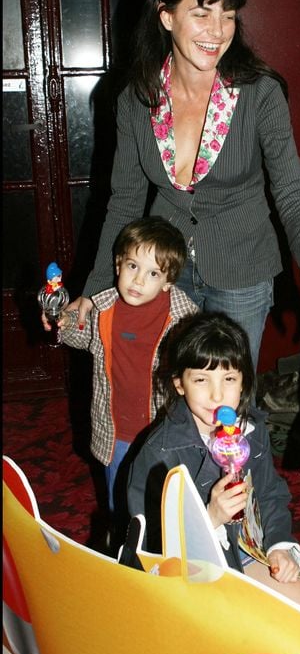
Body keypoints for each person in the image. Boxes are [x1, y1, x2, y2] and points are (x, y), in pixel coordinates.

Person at [64, 0, 300, 372]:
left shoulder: (259, 94)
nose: (217, 30)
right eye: (201, 13)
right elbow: (124, 202)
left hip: (242, 270)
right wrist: (96, 288)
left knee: (228, 395)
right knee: (171, 388)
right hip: (163, 269)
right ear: (166, 16)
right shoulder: (136, 100)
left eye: (228, 15)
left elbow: (292, 189)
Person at [126, 310, 300, 620]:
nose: (217, 395)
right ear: (179, 384)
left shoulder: (250, 430)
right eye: (201, 380)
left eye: (228, 379)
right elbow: (153, 546)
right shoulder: (159, 453)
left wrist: (279, 546)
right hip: (190, 571)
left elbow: (270, 493)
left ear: (243, 383)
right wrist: (210, 517)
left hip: (244, 552)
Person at [51, 216, 198, 521]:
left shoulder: (185, 320)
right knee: (119, 503)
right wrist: (62, 322)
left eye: (153, 273)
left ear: (168, 281)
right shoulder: (103, 309)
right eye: (133, 266)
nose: (138, 280)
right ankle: (122, 543)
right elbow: (83, 335)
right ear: (118, 265)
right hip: (116, 429)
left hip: (163, 430)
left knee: (164, 504)